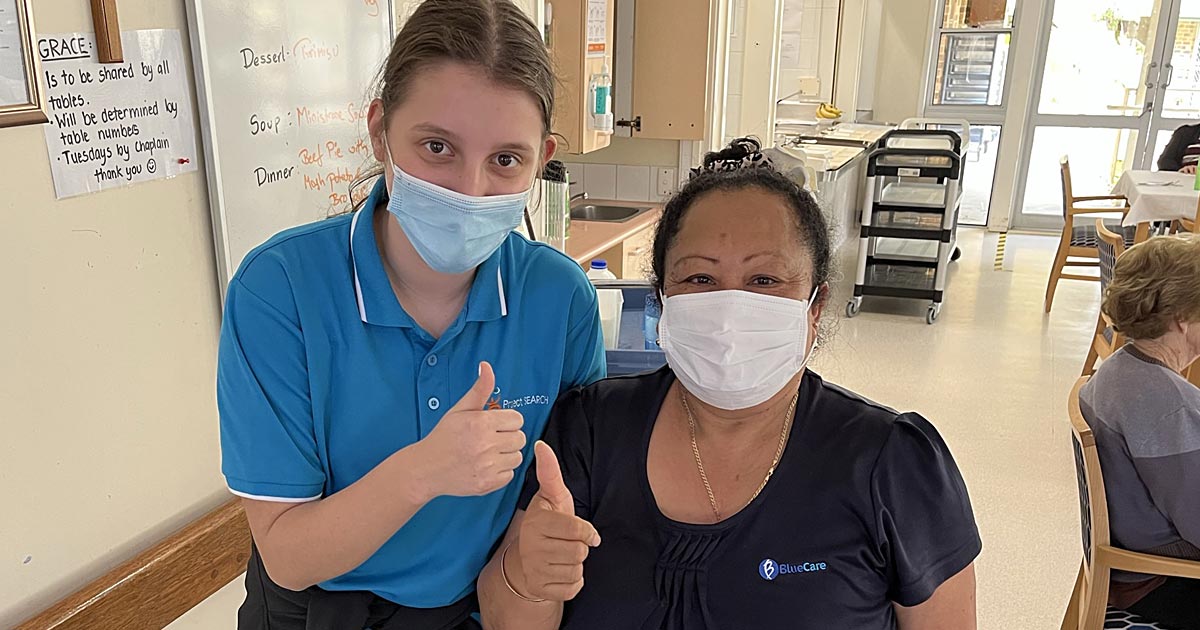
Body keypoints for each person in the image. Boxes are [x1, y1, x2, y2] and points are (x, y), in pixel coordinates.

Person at [477, 139, 982, 629]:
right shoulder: (589, 429)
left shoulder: (893, 464)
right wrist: (528, 579)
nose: (729, 311)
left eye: (766, 281)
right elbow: (508, 618)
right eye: (699, 279)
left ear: (816, 306)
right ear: (662, 300)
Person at [216, 2, 606, 628]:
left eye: (506, 160)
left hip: (474, 606)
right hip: (313, 609)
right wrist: (425, 471)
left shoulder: (558, 299)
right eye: (436, 147)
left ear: (543, 158)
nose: (469, 191)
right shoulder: (281, 290)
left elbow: (556, 499)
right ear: (379, 133)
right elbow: (287, 555)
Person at [1079, 234, 1200, 630]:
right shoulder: (1169, 405)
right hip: (1163, 580)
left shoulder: (1117, 370)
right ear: (1182, 316)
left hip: (1134, 565)